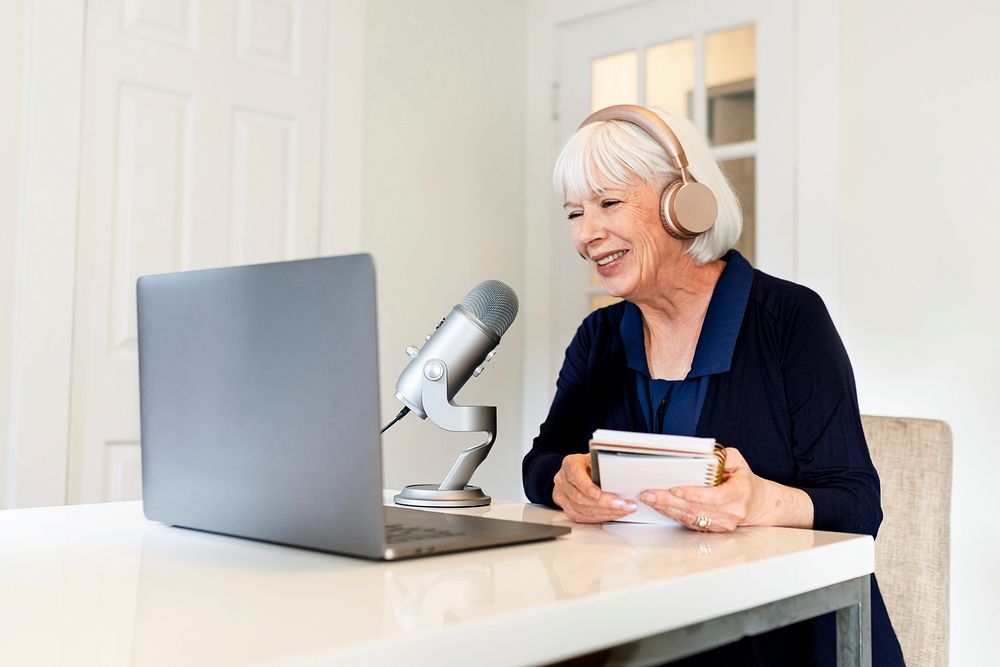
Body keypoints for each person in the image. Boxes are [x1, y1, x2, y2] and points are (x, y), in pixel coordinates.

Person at [522, 104, 903, 666]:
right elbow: (541, 461)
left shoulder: (790, 318)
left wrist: (762, 501)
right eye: (574, 213)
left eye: (607, 203)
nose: (587, 234)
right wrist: (563, 479)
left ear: (684, 204)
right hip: (648, 623)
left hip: (788, 636)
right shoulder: (599, 336)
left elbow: (857, 503)